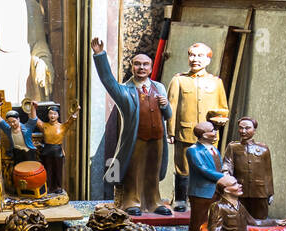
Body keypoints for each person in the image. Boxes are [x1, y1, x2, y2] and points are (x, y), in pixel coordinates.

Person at [90, 38, 172, 215]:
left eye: (145, 64)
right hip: (136, 138)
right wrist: (99, 55)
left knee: (153, 171)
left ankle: (154, 202)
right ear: (132, 67)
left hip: (157, 137)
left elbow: (169, 115)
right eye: (137, 64)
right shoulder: (125, 91)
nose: (141, 68)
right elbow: (107, 80)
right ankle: (131, 201)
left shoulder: (159, 87)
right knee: (133, 171)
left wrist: (165, 105)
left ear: (150, 68)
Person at [167, 42, 228, 211]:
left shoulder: (216, 83)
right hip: (185, 132)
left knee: (209, 165)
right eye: (192, 55)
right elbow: (171, 107)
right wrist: (170, 131)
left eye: (200, 56)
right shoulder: (179, 80)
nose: (195, 59)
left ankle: (209, 198)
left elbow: (224, 108)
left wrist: (218, 117)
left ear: (208, 60)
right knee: (183, 166)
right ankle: (180, 200)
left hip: (209, 135)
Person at [186, 121, 228, 231]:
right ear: (203, 135)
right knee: (198, 221)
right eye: (212, 130)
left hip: (215, 190)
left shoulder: (214, 149)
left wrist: (224, 174)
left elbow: (219, 166)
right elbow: (202, 169)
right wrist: (222, 177)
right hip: (201, 191)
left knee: (212, 220)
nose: (215, 132)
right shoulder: (193, 150)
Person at [224, 117, 274, 219]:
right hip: (239, 190)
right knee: (238, 219)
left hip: (260, 192)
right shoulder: (233, 147)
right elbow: (227, 164)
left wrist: (270, 192)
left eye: (247, 128)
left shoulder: (264, 148)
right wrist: (226, 176)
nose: (243, 131)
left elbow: (268, 173)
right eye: (241, 128)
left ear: (254, 130)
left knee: (260, 220)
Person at [34, 102, 79, 195]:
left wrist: (77, 110)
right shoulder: (44, 126)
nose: (52, 115)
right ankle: (48, 186)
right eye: (50, 113)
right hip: (47, 150)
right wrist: (33, 108)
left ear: (58, 115)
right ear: (48, 115)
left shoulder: (62, 127)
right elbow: (35, 119)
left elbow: (71, 120)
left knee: (58, 170)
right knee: (47, 170)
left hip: (57, 151)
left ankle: (58, 186)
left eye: (54, 113)